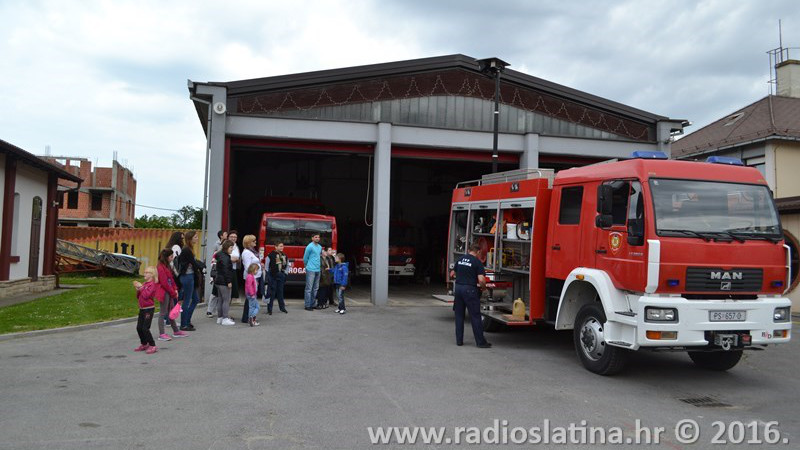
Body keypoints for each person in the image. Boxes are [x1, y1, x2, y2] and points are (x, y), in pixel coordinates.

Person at [450, 243, 491, 348]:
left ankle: (459, 341)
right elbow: (481, 279)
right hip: (470, 290)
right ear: (477, 252)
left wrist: (461, 277)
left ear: (469, 250)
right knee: (475, 316)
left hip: (458, 289)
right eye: (480, 253)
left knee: (459, 316)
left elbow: (452, 274)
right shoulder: (477, 262)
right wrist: (484, 289)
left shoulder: (460, 259)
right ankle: (480, 342)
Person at [156, 248, 188, 341]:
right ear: (166, 257)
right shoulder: (160, 267)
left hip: (169, 291)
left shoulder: (167, 266)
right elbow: (164, 282)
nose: (173, 257)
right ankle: (162, 333)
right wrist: (173, 292)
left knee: (171, 311)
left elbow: (171, 279)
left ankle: (176, 331)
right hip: (165, 292)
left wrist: (175, 289)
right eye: (171, 256)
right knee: (163, 312)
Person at [177, 230, 203, 331]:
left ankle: (187, 320)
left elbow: (194, 263)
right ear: (190, 238)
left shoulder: (189, 249)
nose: (197, 238)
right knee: (187, 301)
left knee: (195, 299)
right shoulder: (186, 249)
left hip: (190, 276)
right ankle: (184, 324)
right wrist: (202, 267)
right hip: (187, 277)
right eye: (195, 237)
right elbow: (194, 263)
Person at [133, 266, 159, 354]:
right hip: (142, 309)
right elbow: (139, 296)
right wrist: (138, 290)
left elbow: (146, 295)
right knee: (139, 328)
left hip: (149, 309)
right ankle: (144, 343)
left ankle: (152, 345)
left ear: (152, 275)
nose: (144, 274)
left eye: (147, 272)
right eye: (145, 272)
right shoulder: (144, 284)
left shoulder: (152, 285)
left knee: (145, 328)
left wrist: (141, 288)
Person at [240, 234, 263, 323]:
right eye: (254, 241)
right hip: (252, 278)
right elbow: (247, 267)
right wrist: (253, 278)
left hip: (255, 277)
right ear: (249, 243)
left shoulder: (252, 251)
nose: (255, 242)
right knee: (251, 298)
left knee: (251, 298)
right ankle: (248, 317)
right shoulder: (246, 253)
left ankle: (248, 317)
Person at [206, 230, 227, 317]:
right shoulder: (217, 245)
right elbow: (214, 258)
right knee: (215, 291)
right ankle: (209, 310)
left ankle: (219, 311)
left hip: (224, 271)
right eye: (225, 234)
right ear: (221, 236)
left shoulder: (228, 244)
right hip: (218, 271)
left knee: (221, 293)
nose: (227, 235)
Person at [214, 240, 236, 326]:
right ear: (227, 247)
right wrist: (229, 281)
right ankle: (225, 318)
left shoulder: (219, 255)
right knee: (226, 300)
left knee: (220, 299)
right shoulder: (226, 258)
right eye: (231, 247)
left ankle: (220, 318)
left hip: (218, 281)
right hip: (224, 281)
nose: (232, 249)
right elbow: (226, 271)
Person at [267, 242, 288, 315]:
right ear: (275, 247)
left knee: (280, 292)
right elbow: (267, 266)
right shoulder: (271, 255)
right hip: (273, 276)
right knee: (272, 293)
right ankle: (269, 309)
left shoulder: (284, 255)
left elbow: (287, 265)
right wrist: (268, 276)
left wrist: (285, 274)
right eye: (280, 246)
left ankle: (282, 308)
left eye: (283, 246)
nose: (282, 247)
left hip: (281, 275)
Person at [302, 233, 322, 311]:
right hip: (310, 269)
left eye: (318, 237)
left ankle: (313, 304)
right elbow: (305, 258)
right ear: (312, 238)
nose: (317, 238)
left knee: (315, 288)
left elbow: (318, 257)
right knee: (309, 288)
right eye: (315, 237)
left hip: (318, 269)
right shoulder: (309, 246)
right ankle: (307, 305)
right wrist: (307, 266)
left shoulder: (320, 247)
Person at [228, 230, 241, 302]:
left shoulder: (236, 247)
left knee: (232, 292)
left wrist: (236, 259)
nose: (233, 238)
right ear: (228, 237)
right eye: (231, 237)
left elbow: (238, 258)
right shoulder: (225, 245)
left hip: (234, 269)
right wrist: (232, 259)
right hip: (227, 270)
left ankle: (226, 310)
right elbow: (224, 257)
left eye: (235, 237)